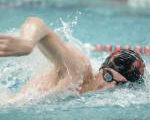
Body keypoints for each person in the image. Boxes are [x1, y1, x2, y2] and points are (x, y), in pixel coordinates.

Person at [0, 17, 145, 94]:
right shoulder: (79, 70)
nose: (110, 87)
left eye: (120, 85)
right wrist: (26, 42)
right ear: (102, 68)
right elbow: (38, 24)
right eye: (108, 76)